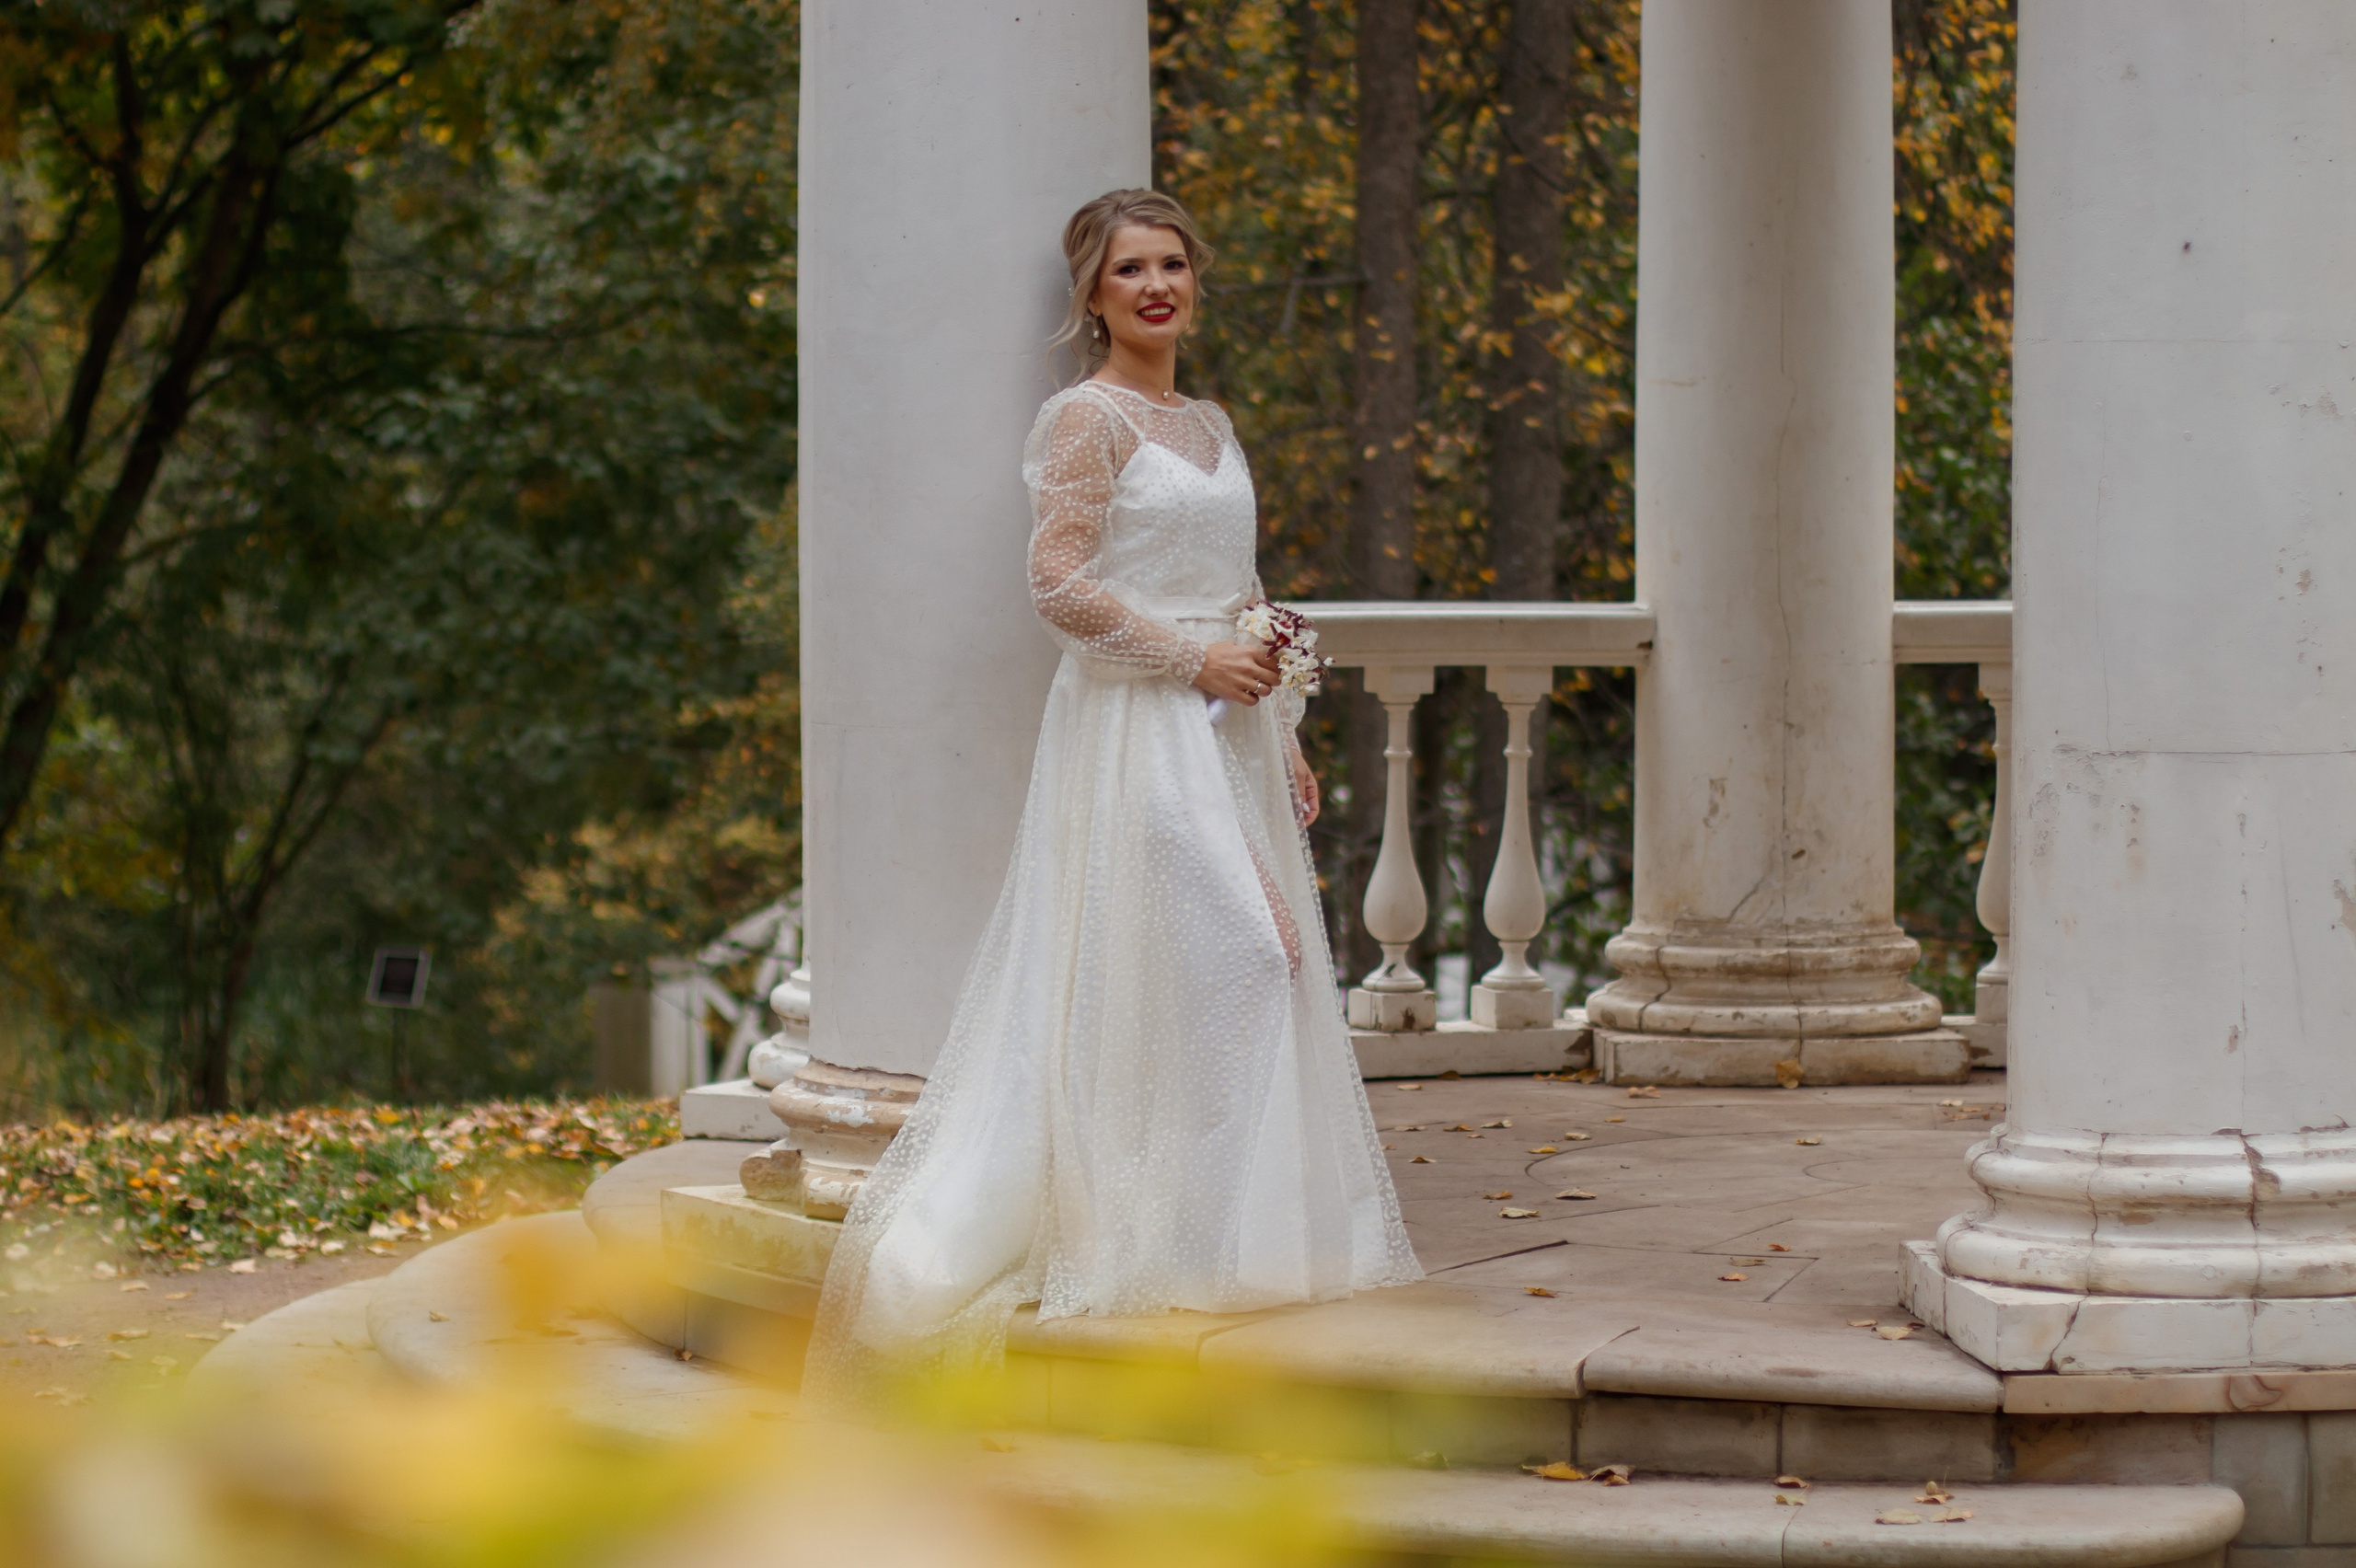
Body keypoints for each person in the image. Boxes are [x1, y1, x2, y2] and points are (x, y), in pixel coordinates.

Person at [804, 189, 1419, 1402]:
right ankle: (1122, 1225)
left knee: (1238, 970)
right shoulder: (1085, 421)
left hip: (1225, 725)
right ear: (1092, 294)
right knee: (1238, 952)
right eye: (1129, 268)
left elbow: (1242, 585)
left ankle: (1221, 1233)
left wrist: (1280, 723)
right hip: (1137, 723)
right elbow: (1057, 585)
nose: (1156, 286)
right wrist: (1189, 659)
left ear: (1196, 282)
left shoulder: (1209, 422)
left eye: (1174, 265)